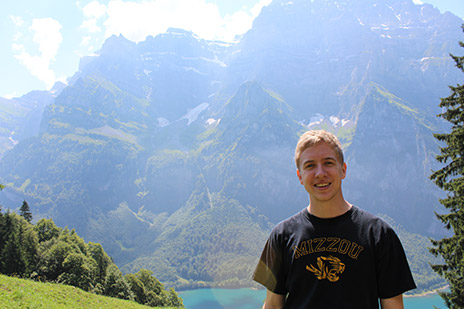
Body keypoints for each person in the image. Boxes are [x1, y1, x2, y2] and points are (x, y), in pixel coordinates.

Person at [253, 130, 416, 308]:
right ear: (300, 176)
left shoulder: (379, 234)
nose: (320, 173)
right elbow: (273, 306)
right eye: (310, 166)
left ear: (343, 170)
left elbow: (393, 306)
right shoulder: (282, 236)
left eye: (328, 163)